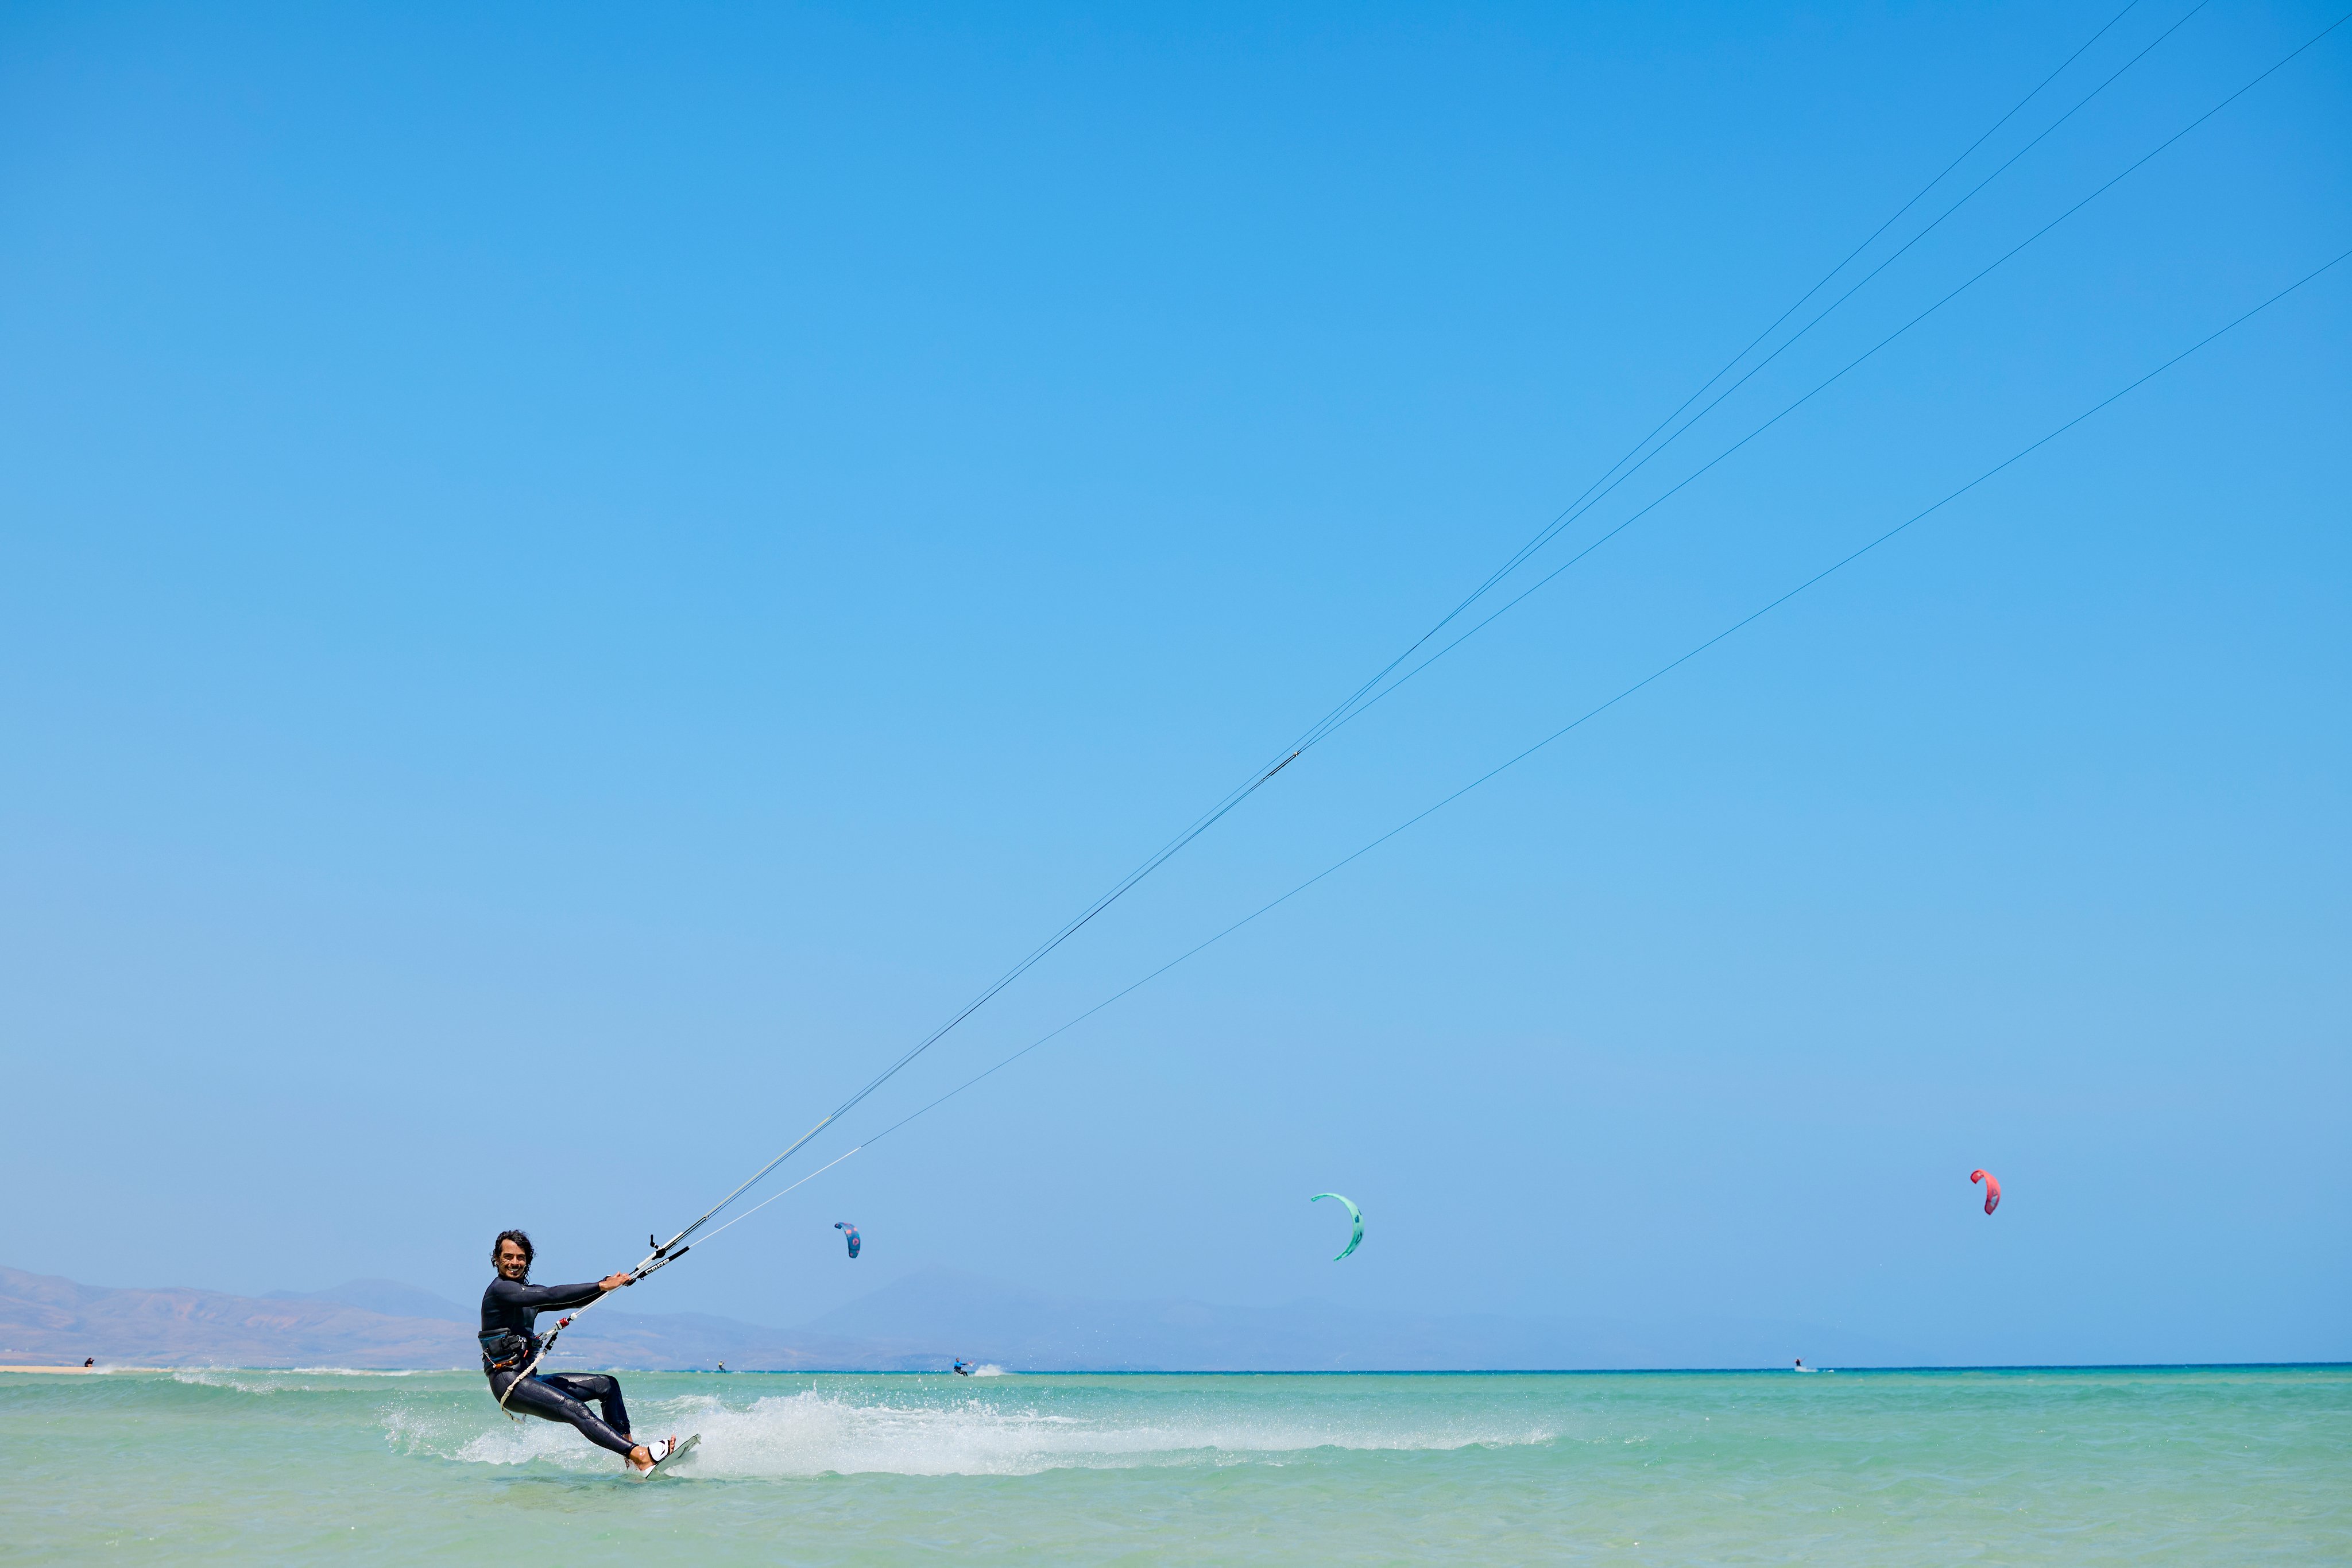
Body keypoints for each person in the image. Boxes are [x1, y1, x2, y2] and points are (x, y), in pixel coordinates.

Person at [481, 1229, 675, 1473]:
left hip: (528, 1379)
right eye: (508, 1257)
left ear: (528, 1260)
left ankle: (632, 1460)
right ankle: (640, 1456)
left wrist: (609, 1286)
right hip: (509, 1383)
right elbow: (551, 1294)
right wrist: (602, 1285)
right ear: (497, 1259)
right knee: (575, 1409)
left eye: (521, 1257)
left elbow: (566, 1300)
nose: (515, 1263)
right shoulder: (500, 1291)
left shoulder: (527, 1296)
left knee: (607, 1386)